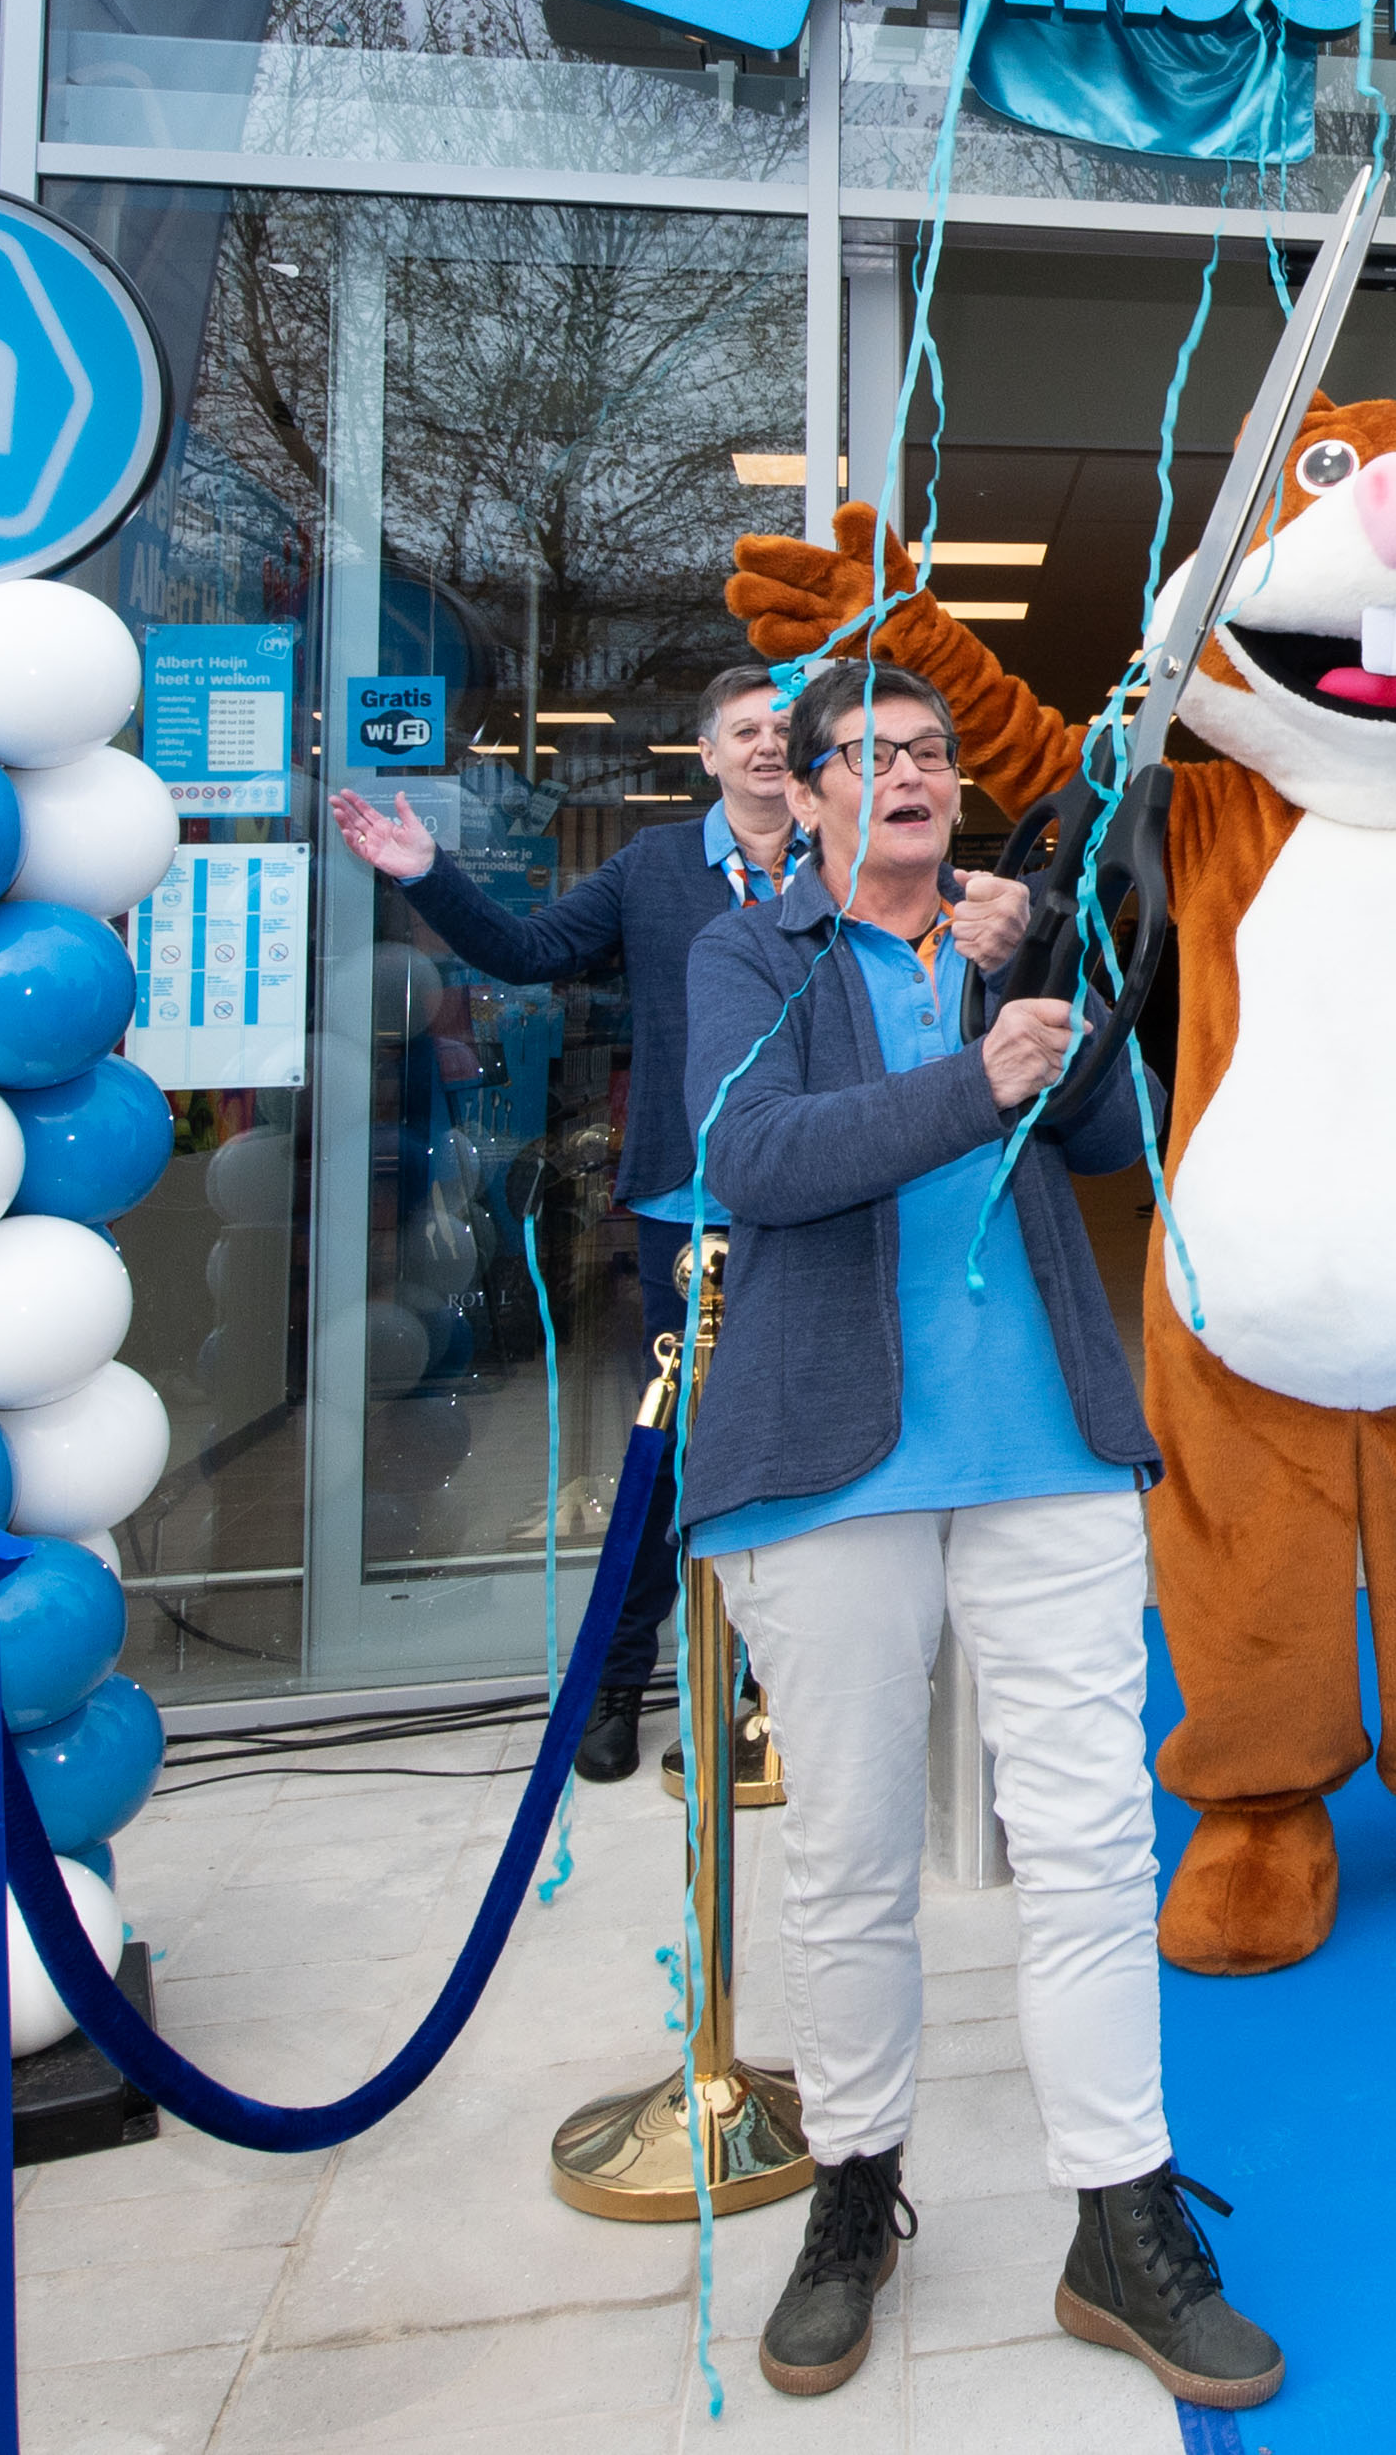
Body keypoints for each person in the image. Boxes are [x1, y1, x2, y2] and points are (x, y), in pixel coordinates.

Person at [681, 661, 1279, 2413]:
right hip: (824, 1468)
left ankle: (1120, 2215)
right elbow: (751, 1157)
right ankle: (852, 2195)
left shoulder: (1007, 943)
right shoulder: (749, 953)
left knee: (1091, 1845)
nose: (909, 771)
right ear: (804, 792)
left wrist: (1039, 976)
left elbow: (1100, 1130)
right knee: (851, 1854)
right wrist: (967, 1075)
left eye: (931, 751)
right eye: (865, 752)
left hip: (1047, 1456)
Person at [332, 664, 1023, 1780]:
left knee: (815, 1439)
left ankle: (767, 1690)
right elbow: (530, 953)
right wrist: (428, 874)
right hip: (689, 1209)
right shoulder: (654, 868)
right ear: (707, 756)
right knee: (671, 1454)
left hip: (838, 1206)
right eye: (741, 730)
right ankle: (618, 1678)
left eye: (781, 729)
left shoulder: (864, 865)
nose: (764, 745)